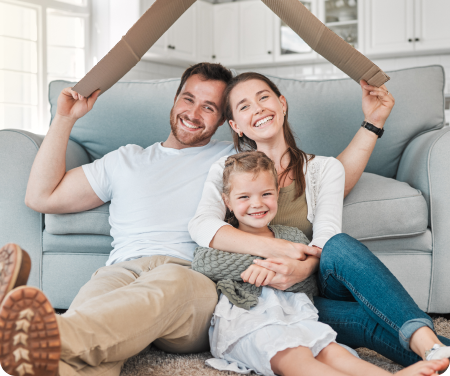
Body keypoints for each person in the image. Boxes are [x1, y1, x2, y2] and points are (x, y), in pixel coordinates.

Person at [0, 62, 395, 376]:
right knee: (96, 344)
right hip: (118, 272)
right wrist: (64, 118)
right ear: (173, 101)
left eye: (209, 107)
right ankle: (36, 350)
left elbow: (327, 176)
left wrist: (373, 123)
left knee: (157, 288)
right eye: (188, 99)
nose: (193, 113)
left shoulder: (234, 160)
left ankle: (48, 330)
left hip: (188, 278)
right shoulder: (125, 159)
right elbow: (41, 196)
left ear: (227, 122)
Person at [188, 71, 450, 370]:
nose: (258, 108)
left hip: (311, 284)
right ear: (235, 124)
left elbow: (326, 236)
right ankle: (440, 355)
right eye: (244, 106)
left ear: (282, 104)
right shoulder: (225, 169)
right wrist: (280, 250)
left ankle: (427, 342)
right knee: (368, 320)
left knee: (339, 244)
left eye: (264, 98)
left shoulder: (324, 169)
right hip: (285, 303)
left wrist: (300, 268)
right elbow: (202, 226)